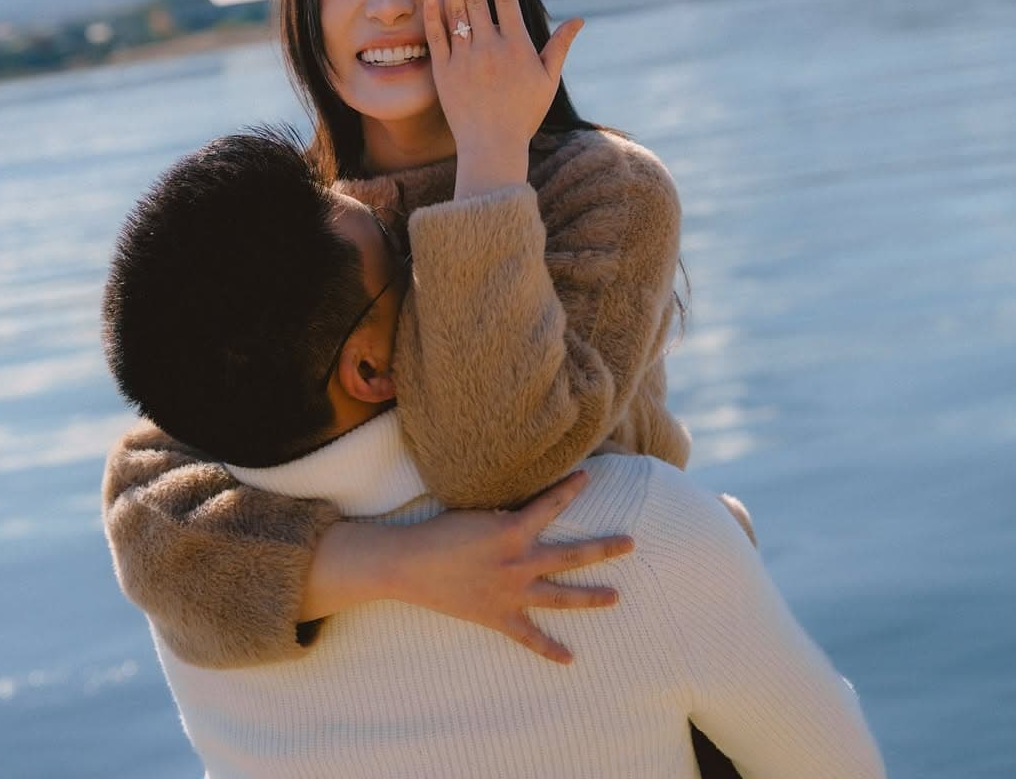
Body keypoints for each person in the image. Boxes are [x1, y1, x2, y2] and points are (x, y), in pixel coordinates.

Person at [102, 0, 743, 676]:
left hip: (626, 672)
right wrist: (397, 564)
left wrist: (490, 160)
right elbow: (147, 508)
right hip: (408, 703)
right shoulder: (299, 223)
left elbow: (497, 463)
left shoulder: (604, 188)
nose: (387, 5)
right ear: (304, 9)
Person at [102, 128, 885, 779]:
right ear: (369, 370)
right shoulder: (629, 532)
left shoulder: (192, 595)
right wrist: (711, 558)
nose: (434, 264)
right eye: (407, 258)